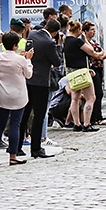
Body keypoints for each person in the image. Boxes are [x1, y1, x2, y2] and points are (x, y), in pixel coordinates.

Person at [0, 31, 33, 166]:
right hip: (19, 96)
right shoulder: (20, 59)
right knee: (15, 125)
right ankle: (13, 156)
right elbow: (28, 75)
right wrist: (28, 60)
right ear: (16, 46)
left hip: (3, 95)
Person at [24, 19, 62, 158]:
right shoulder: (50, 42)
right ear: (56, 32)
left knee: (25, 112)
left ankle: (17, 146)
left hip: (28, 79)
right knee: (39, 116)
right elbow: (57, 61)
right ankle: (36, 148)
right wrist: (58, 45)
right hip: (41, 82)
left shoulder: (32, 34)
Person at [64, 21, 106, 132]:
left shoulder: (66, 40)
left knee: (75, 98)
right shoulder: (77, 41)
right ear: (78, 30)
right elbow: (91, 51)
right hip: (82, 72)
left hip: (71, 72)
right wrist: (85, 39)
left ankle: (76, 124)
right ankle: (86, 124)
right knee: (91, 98)